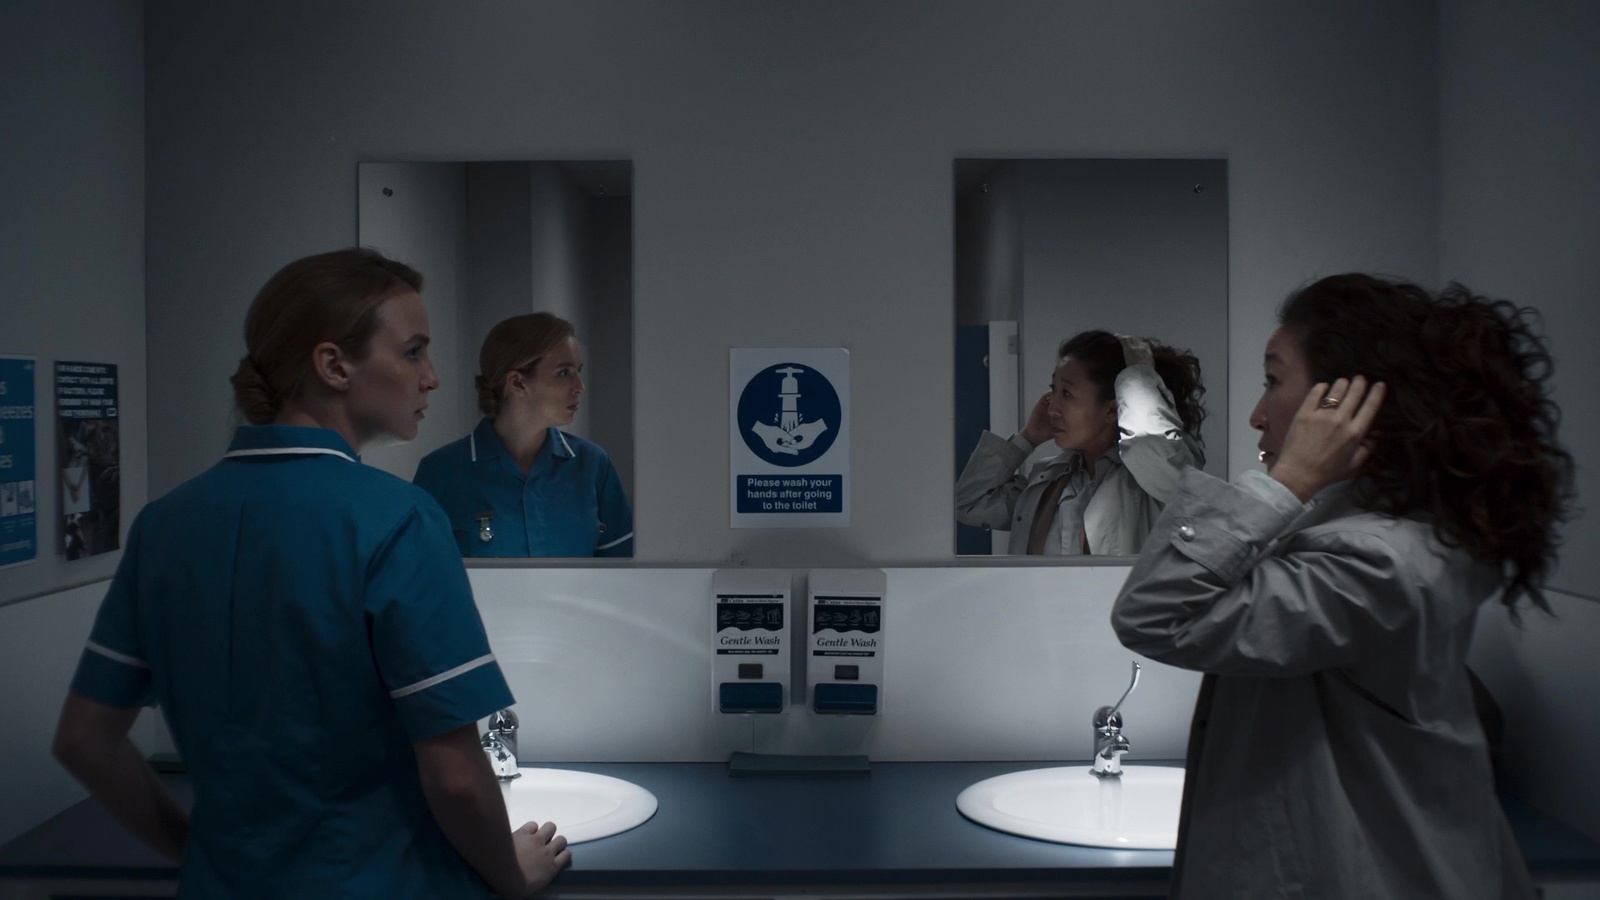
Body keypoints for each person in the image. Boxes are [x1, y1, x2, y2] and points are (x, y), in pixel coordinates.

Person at [52, 248, 571, 899]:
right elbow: (458, 775)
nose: (433, 377)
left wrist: (196, 852)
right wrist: (509, 872)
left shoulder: (164, 524)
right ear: (333, 365)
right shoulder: (397, 520)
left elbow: (84, 741)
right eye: (413, 352)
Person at [1111, 274, 1574, 898]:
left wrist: (1290, 478)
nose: (1255, 413)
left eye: (1273, 381)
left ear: (1345, 409)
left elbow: (1154, 614)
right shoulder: (1365, 539)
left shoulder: (1375, 560)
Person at [955, 330, 1206, 555]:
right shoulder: (1047, 480)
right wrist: (1027, 438)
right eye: (1053, 390)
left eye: (1066, 393)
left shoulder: (1153, 480)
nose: (1051, 407)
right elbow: (969, 502)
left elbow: (1145, 445)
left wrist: (1140, 375)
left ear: (1112, 410)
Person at [414, 312, 633, 558]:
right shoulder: (440, 473)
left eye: (578, 370)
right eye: (564, 372)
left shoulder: (593, 465)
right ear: (517, 383)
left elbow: (621, 573)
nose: (579, 386)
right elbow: (423, 581)